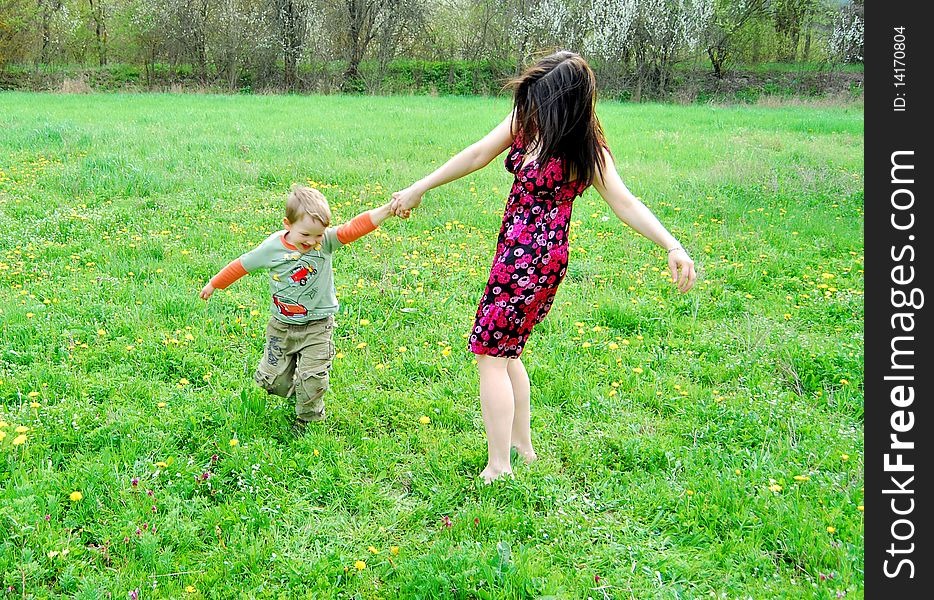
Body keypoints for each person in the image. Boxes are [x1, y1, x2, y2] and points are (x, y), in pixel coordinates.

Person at [390, 51, 697, 483]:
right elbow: (478, 153)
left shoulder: (585, 150)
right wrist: (420, 186)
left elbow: (625, 203)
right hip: (512, 254)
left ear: (564, 104)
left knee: (490, 353)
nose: (531, 104)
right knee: (507, 352)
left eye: (541, 98)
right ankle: (523, 449)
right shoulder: (527, 122)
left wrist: (671, 243)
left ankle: (500, 466)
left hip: (535, 260)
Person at [200, 184, 394, 432]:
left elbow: (354, 227)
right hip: (281, 326)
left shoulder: (326, 243)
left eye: (318, 235)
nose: (313, 242)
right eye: (306, 235)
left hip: (318, 326)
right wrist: (214, 284)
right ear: (287, 225)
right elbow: (241, 265)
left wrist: (388, 210)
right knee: (273, 380)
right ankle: (297, 390)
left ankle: (308, 419)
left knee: (313, 378)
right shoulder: (272, 248)